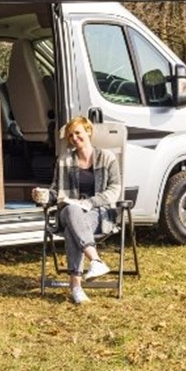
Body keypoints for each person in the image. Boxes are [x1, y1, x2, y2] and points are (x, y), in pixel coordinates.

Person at [33, 116, 121, 305]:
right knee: (72, 210)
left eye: (77, 133)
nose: (74, 138)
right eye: (70, 135)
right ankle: (95, 260)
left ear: (88, 131)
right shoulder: (64, 160)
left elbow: (115, 190)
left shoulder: (107, 157)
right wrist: (43, 195)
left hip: (98, 212)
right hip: (68, 212)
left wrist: (89, 203)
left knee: (72, 230)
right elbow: (56, 192)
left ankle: (76, 288)